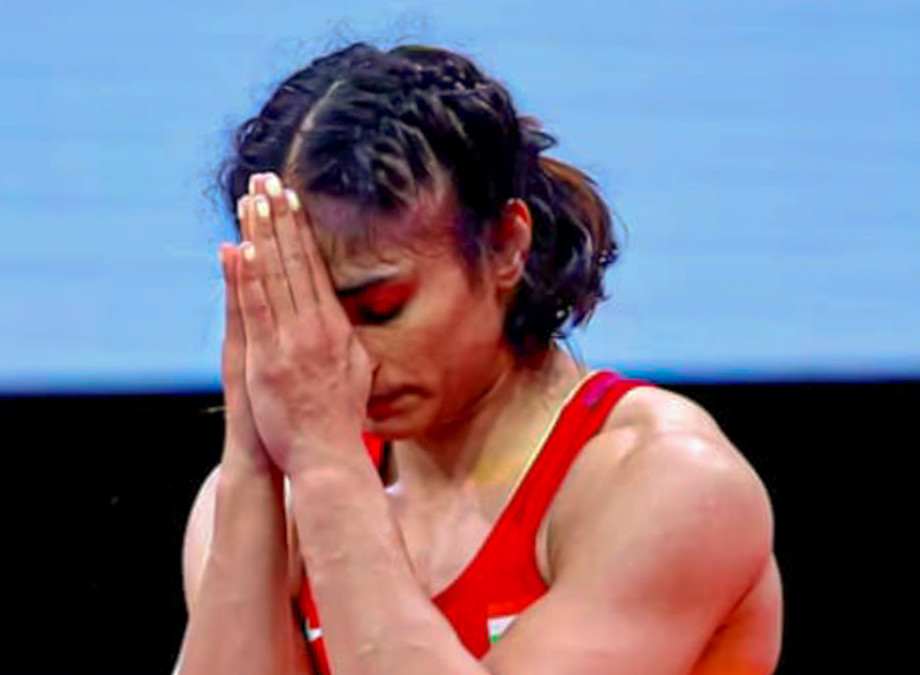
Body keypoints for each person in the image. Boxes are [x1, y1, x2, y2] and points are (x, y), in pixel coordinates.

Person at [175, 42, 783, 675]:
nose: (336, 360)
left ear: (504, 245)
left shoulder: (669, 484)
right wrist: (250, 457)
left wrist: (327, 465)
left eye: (379, 308)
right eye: (307, 314)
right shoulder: (267, 501)